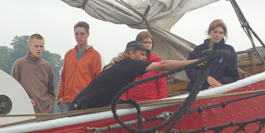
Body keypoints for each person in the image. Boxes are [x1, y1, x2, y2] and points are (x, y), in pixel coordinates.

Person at [71, 41, 200, 110]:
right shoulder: (131, 64)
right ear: (132, 53)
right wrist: (194, 62)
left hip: (82, 106)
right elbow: (163, 65)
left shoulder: (116, 65)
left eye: (146, 56)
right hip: (82, 109)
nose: (145, 58)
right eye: (142, 54)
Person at [57, 21, 102, 112]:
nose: (79, 37)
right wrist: (60, 96)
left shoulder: (95, 56)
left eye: (82, 34)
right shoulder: (69, 54)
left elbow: (98, 80)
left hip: (83, 102)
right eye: (76, 34)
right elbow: (64, 77)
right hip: (67, 102)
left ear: (88, 34)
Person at [186, 19, 238, 91]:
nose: (217, 35)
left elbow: (233, 76)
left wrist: (217, 83)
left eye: (220, 33)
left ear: (223, 34)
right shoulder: (198, 50)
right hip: (198, 90)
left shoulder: (229, 51)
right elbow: (189, 69)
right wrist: (206, 78)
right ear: (209, 32)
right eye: (215, 32)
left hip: (219, 89)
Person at [11, 33, 56, 114]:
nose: (39, 49)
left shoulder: (47, 66)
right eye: (36, 46)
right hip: (25, 110)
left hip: (46, 111)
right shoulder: (19, 64)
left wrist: (49, 104)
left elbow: (51, 90)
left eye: (41, 46)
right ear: (29, 46)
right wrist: (25, 100)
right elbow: (14, 87)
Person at [121, 31, 168, 102]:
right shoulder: (129, 63)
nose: (148, 45)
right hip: (132, 103)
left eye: (150, 43)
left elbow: (162, 87)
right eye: (145, 42)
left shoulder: (157, 62)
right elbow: (123, 85)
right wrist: (123, 102)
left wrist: (162, 103)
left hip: (152, 102)